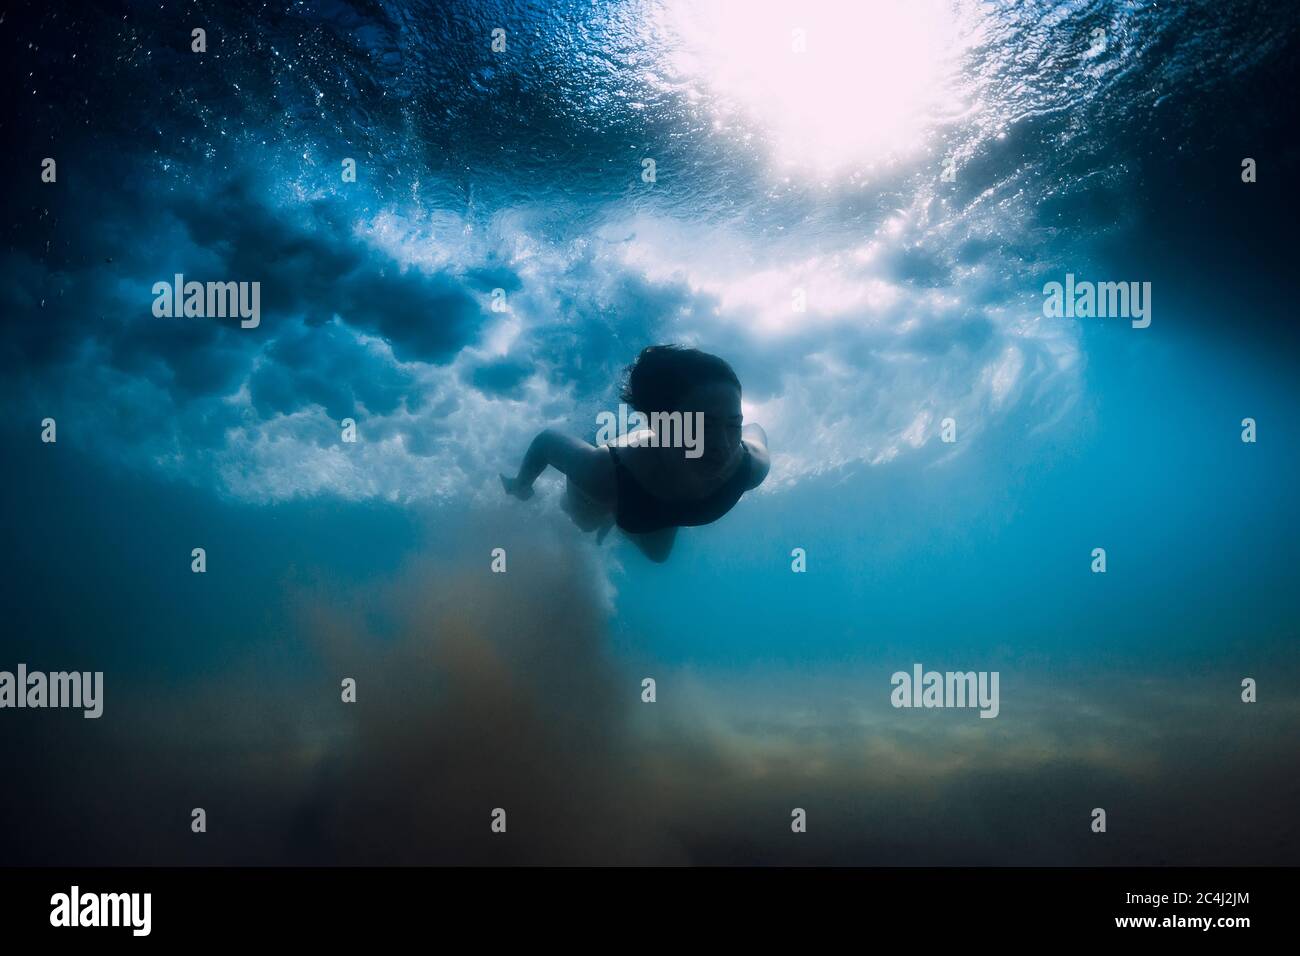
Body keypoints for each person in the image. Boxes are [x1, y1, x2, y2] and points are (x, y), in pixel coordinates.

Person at [500, 345, 770, 562]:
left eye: (734, 424)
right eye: (701, 427)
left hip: (651, 501)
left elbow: (756, 429)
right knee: (585, 524)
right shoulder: (603, 473)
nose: (722, 446)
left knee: (658, 557)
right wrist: (520, 485)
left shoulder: (750, 466)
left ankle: (626, 526)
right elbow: (546, 442)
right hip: (623, 487)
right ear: (656, 424)